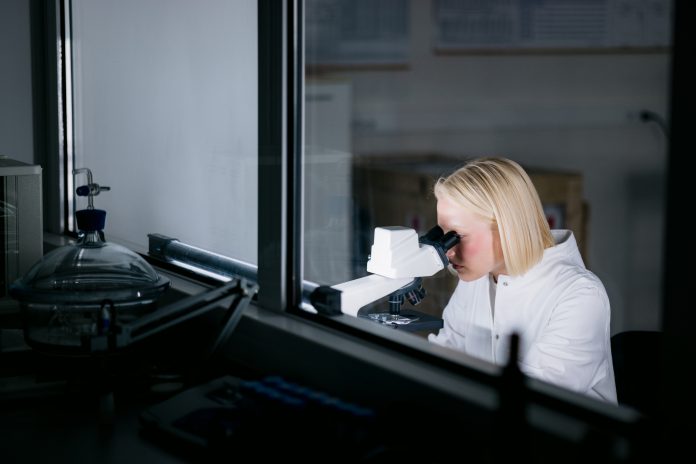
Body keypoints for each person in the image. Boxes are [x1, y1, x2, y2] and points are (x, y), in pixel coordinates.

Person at [428, 157, 616, 404]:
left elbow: (535, 403)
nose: (449, 251)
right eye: (443, 235)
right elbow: (444, 360)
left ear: (507, 227)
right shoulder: (475, 278)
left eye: (458, 236)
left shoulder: (579, 295)